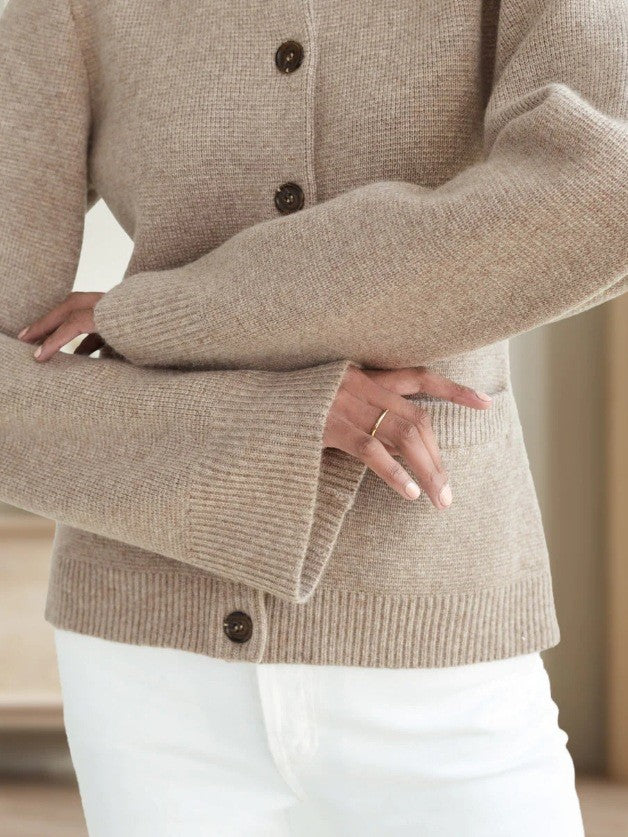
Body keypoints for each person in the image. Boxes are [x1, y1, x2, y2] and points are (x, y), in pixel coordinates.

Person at [1, 0, 625, 834]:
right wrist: (272, 423)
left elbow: (602, 191)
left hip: (437, 635)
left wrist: (172, 312)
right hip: (148, 678)